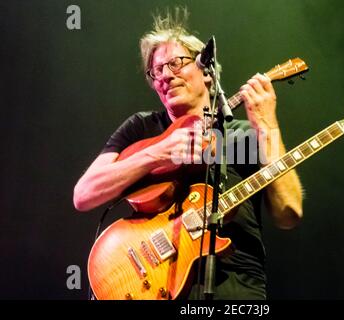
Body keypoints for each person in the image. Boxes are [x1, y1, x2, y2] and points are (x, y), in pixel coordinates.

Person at [73, 7, 303, 300]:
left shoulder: (245, 132)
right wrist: (158, 153)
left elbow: (288, 213)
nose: (166, 76)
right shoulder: (144, 127)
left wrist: (267, 123)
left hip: (234, 291)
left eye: (177, 63)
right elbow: (84, 195)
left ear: (207, 72)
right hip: (153, 285)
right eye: (156, 70)